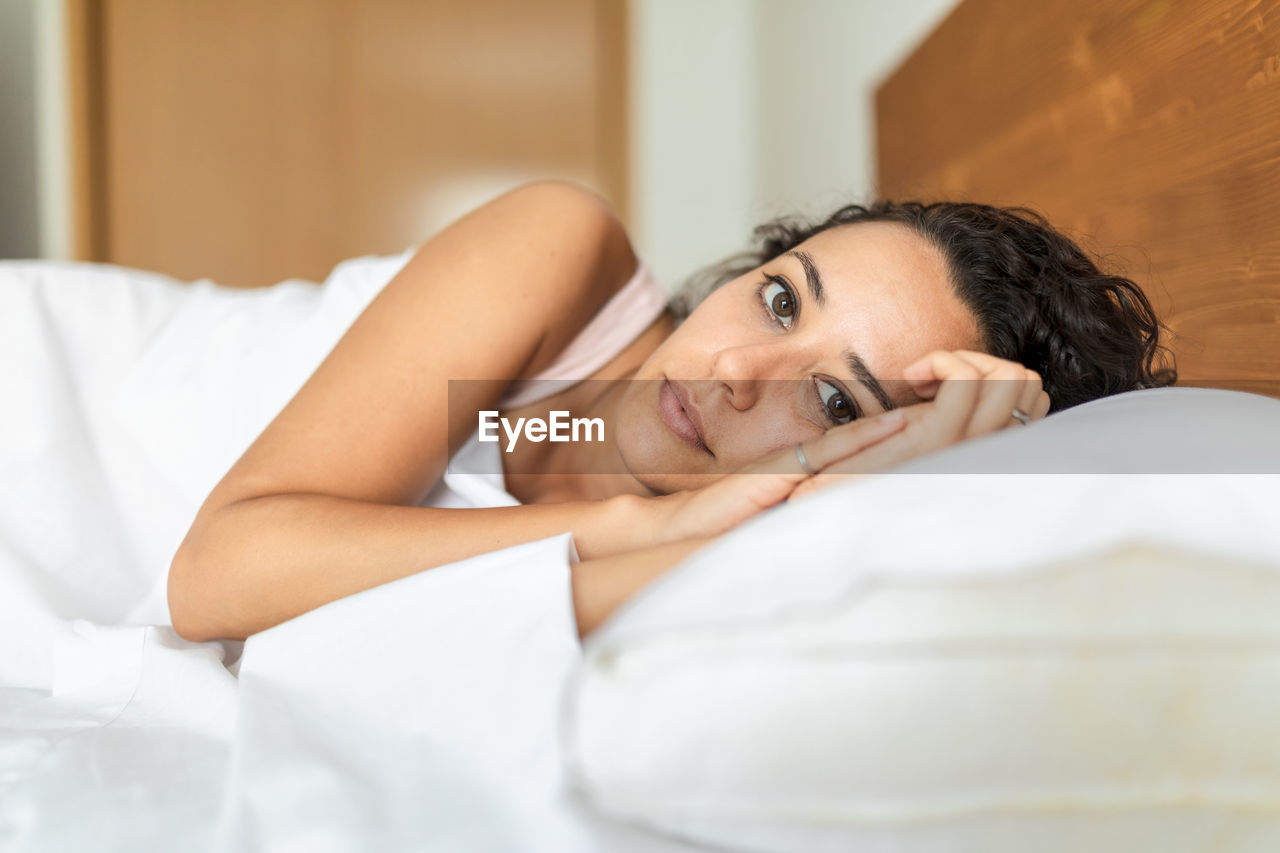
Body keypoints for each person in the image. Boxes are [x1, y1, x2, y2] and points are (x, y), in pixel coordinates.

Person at [167, 180, 1176, 643]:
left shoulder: (724, 583)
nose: (736, 367)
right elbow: (218, 574)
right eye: (780, 297)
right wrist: (635, 524)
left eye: (831, 399)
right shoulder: (556, 251)